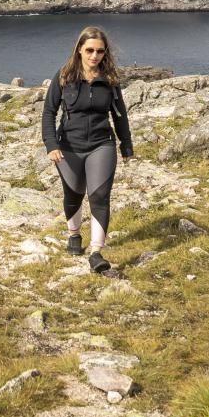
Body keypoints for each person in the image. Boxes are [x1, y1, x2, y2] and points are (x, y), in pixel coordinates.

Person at [42, 25, 133, 274]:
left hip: (101, 144)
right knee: (73, 194)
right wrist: (51, 144)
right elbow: (49, 112)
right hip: (68, 146)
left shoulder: (110, 80)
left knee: (99, 196)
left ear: (105, 53)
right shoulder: (64, 76)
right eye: (90, 50)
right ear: (80, 49)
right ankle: (74, 234)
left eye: (100, 51)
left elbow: (120, 115)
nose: (95, 56)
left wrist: (126, 145)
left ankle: (96, 252)